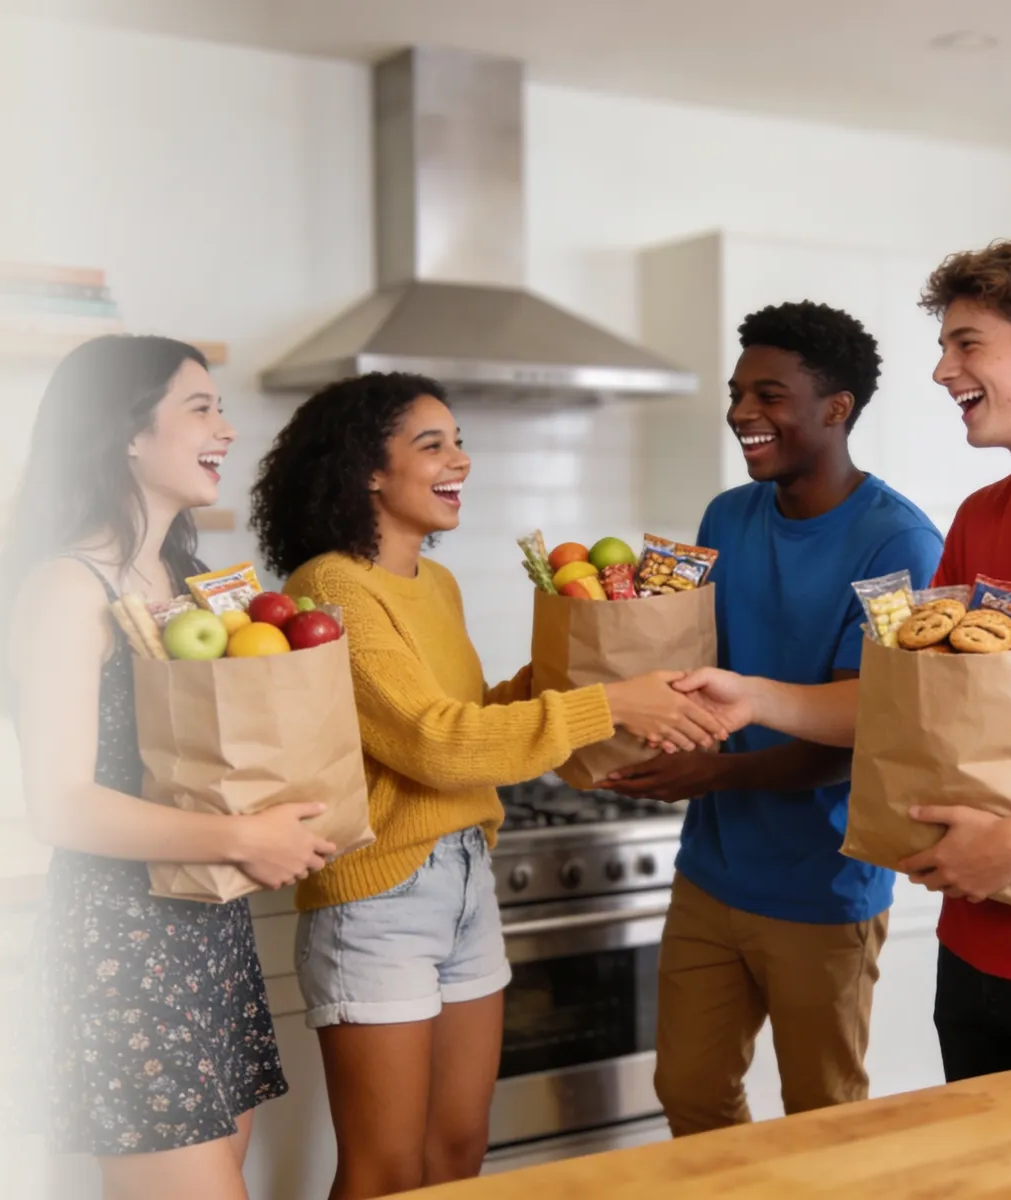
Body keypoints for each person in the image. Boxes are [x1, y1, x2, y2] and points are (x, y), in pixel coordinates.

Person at [676, 240, 1011, 1082]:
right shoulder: (981, 519)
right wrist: (752, 696)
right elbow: (905, 702)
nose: (941, 370)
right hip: (978, 937)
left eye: (967, 344)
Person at [247, 372, 730, 1198]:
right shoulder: (330, 589)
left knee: (460, 1156)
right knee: (385, 1172)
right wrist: (606, 700)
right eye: (432, 444)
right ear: (368, 467)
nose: (460, 460)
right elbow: (435, 745)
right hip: (380, 900)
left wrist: (591, 661)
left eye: (460, 440)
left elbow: (463, 714)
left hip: (468, 877)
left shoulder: (436, 585)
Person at [0, 336, 332, 1200]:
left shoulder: (191, 579)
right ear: (128, 434)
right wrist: (241, 834)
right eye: (201, 407)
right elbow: (60, 806)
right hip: (124, 946)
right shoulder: (68, 589)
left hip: (209, 931)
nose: (227, 426)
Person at [603, 302, 943, 1133]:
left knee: (821, 1121)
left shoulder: (898, 543)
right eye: (736, 393)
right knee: (688, 1090)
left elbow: (866, 726)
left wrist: (712, 771)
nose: (742, 414)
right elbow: (694, 664)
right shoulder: (728, 516)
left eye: (769, 395)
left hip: (823, 885)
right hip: (712, 872)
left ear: (837, 408)